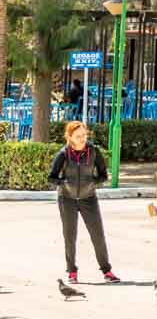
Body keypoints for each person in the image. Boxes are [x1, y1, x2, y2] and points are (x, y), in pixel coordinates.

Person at [48, 121, 117, 283]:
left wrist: (92, 182)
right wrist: (64, 183)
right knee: (70, 236)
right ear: (70, 137)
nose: (82, 139)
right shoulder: (63, 154)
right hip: (67, 199)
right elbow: (51, 177)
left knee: (98, 235)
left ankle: (107, 271)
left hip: (89, 198)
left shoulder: (93, 152)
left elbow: (103, 175)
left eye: (84, 135)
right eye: (78, 136)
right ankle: (72, 272)